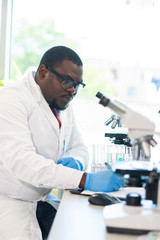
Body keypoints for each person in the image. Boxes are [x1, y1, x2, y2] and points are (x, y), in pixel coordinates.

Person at [0, 46, 124, 240]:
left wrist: (76, 161)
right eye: (67, 81)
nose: (72, 90)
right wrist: (85, 179)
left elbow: (79, 147)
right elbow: (22, 161)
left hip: (43, 199)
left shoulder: (61, 103)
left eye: (77, 84)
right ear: (43, 72)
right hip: (10, 205)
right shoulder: (10, 99)